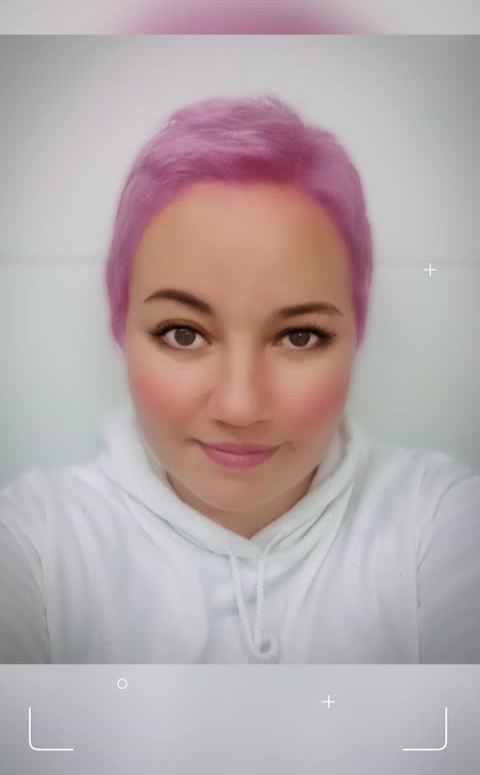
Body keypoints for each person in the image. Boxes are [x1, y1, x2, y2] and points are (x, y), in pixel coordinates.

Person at [1, 94, 479, 664]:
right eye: (183, 333)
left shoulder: (441, 521)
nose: (240, 405)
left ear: (356, 334)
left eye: (299, 336)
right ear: (121, 328)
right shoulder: (34, 539)